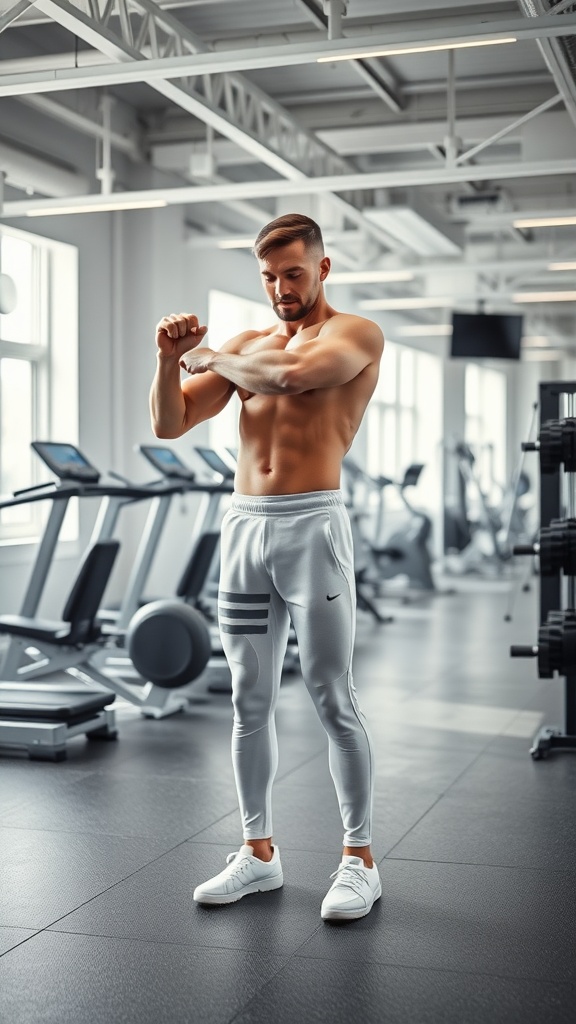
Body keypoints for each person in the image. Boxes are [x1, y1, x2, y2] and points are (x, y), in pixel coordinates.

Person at [149, 213, 384, 921]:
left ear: (323, 268)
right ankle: (257, 852)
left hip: (313, 525)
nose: (282, 288)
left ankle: (359, 859)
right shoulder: (247, 345)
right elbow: (168, 423)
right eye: (270, 276)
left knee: (329, 695)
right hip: (244, 530)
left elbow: (289, 375)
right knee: (248, 696)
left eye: (293, 273)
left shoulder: (355, 335)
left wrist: (213, 358)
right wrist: (169, 359)